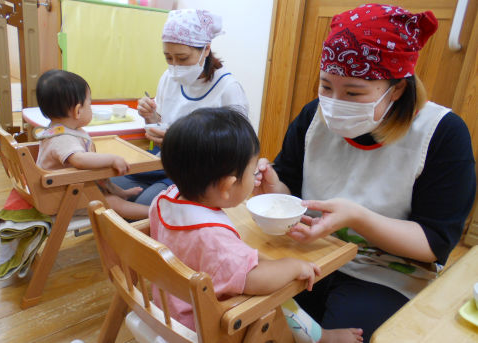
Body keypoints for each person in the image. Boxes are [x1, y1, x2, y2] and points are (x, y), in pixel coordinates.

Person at [254, 4, 476, 342]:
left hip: (385, 271)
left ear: (397, 88)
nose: (334, 102)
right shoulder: (315, 116)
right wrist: (274, 185)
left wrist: (358, 218)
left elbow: (433, 242)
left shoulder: (442, 134)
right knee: (253, 315)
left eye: (353, 92)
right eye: (326, 86)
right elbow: (292, 190)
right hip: (310, 253)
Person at [149, 107, 363, 343]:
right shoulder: (213, 238)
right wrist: (293, 266)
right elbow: (254, 281)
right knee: (280, 300)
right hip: (201, 327)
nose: (255, 177)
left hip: (167, 306)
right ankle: (321, 339)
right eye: (252, 172)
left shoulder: (163, 200)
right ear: (227, 186)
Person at [112, 9, 249, 206]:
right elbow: (162, 123)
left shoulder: (228, 89)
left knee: (141, 208)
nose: (175, 66)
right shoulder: (169, 78)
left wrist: (181, 143)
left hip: (198, 173)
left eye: (183, 58)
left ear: (206, 49)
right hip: (164, 161)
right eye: (168, 58)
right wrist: (151, 117)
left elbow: (237, 151)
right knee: (109, 186)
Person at [34, 69, 149, 220]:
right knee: (112, 203)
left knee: (101, 179)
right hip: (60, 197)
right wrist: (112, 159)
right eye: (90, 103)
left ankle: (120, 193)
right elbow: (80, 160)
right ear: (77, 111)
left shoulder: (59, 129)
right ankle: (154, 214)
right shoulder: (62, 138)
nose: (91, 107)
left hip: (68, 186)